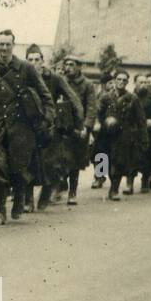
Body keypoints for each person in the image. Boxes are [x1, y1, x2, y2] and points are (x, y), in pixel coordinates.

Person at [0, 29, 52, 225]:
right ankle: (0, 211)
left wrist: (47, 119)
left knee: (19, 170)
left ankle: (19, 197)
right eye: (1, 44)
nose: (4, 48)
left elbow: (45, 96)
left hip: (21, 130)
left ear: (13, 46)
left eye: (8, 44)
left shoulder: (26, 69)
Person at [23, 45, 82, 211]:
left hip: (50, 127)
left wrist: (79, 124)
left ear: (43, 61)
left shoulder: (54, 79)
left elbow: (74, 99)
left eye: (37, 59)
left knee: (51, 165)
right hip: (29, 126)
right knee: (28, 162)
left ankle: (46, 193)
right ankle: (28, 199)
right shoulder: (22, 77)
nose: (34, 63)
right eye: (30, 60)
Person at [93, 70, 148, 201]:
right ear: (114, 80)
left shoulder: (132, 98)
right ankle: (102, 178)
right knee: (103, 159)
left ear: (127, 82)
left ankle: (114, 189)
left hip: (123, 135)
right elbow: (97, 113)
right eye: (119, 79)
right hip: (106, 135)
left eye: (124, 80)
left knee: (118, 162)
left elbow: (141, 120)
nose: (121, 82)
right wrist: (98, 123)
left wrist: (144, 138)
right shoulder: (106, 97)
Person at [59, 55, 99, 205]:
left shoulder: (87, 85)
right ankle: (61, 183)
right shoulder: (61, 81)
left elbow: (91, 107)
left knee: (74, 162)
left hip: (78, 128)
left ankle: (72, 192)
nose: (68, 67)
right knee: (61, 157)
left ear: (79, 67)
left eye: (71, 64)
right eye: (66, 64)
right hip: (62, 126)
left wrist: (86, 127)